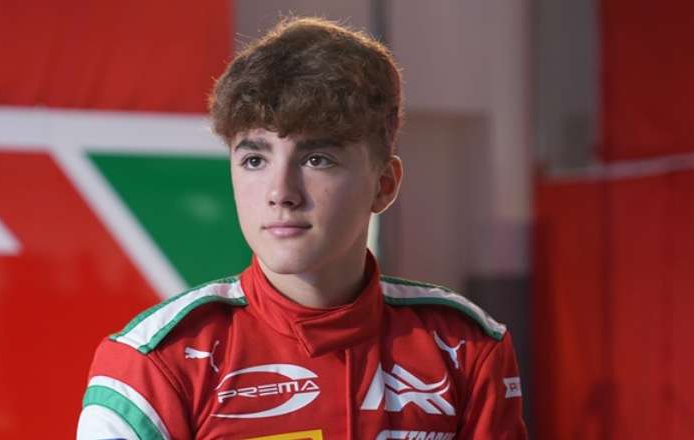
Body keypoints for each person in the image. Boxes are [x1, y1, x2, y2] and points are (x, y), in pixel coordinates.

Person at [77, 17, 528, 440]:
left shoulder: (465, 347)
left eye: (317, 159)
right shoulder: (155, 364)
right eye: (255, 160)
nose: (281, 192)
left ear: (384, 185)